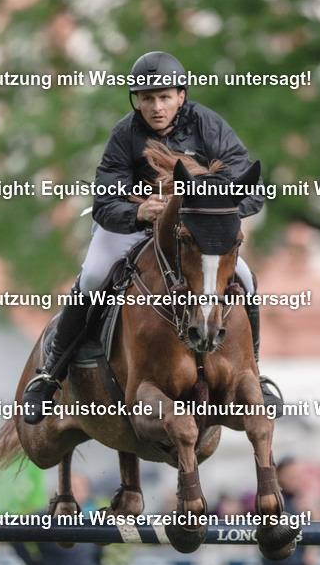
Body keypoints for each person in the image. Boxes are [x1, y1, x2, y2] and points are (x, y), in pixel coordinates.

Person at [22, 50, 280, 424]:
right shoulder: (125, 134)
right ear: (137, 101)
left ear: (181, 96)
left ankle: (255, 372)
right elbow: (103, 202)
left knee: (245, 279)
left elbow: (251, 191)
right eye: (147, 98)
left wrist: (208, 213)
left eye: (164, 97)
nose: (157, 107)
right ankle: (49, 375)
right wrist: (137, 211)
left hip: (194, 234)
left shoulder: (209, 126)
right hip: (132, 228)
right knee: (94, 274)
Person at [14, 474, 107, 565]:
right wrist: (34, 564)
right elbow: (14, 534)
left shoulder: (95, 521)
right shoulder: (43, 518)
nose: (74, 492)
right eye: (69, 488)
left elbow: (97, 562)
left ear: (87, 492)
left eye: (78, 488)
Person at [257, 458, 313, 565]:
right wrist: (303, 561)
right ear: (280, 476)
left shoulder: (293, 503)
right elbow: (276, 543)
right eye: (292, 475)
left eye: (298, 475)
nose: (297, 480)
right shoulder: (278, 506)